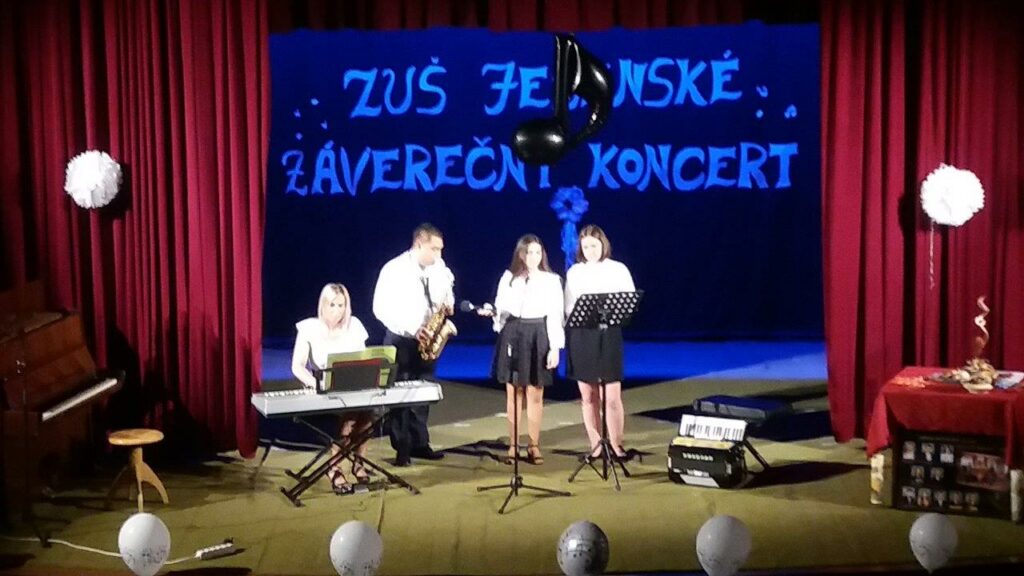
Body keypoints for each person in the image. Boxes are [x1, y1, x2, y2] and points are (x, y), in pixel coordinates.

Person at [480, 234, 564, 465]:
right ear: (520, 254)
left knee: (535, 392)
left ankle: (534, 445)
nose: (533, 257)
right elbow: (501, 309)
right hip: (513, 333)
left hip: (538, 334)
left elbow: (555, 315)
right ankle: (514, 444)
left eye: (537, 252)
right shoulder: (509, 278)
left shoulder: (551, 280)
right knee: (514, 392)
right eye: (528, 252)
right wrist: (492, 312)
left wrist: (555, 347)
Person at [372, 223, 452, 466]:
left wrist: (448, 303)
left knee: (422, 393)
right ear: (419, 244)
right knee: (400, 395)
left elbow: (446, 291)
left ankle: (420, 443)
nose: (439, 255)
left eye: (440, 249)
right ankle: (402, 448)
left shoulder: (438, 268)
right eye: (434, 249)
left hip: (428, 338)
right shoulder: (394, 269)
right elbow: (380, 308)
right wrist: (413, 328)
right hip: (401, 339)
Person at [291, 283, 373, 494]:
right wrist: (316, 384)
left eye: (341, 305)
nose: (337, 310)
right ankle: (335, 467)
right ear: (323, 305)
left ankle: (358, 463)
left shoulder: (354, 325)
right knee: (351, 417)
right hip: (324, 387)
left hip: (353, 384)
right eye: (332, 305)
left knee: (368, 414)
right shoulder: (309, 328)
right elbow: (297, 366)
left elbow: (364, 360)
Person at [564, 225, 636, 460]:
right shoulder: (575, 272)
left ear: (603, 245)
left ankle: (616, 444)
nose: (590, 251)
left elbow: (629, 301)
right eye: (586, 247)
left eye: (594, 246)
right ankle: (595, 445)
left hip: (608, 334)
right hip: (582, 336)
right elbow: (569, 307)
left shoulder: (618, 269)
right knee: (588, 396)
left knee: (612, 396)